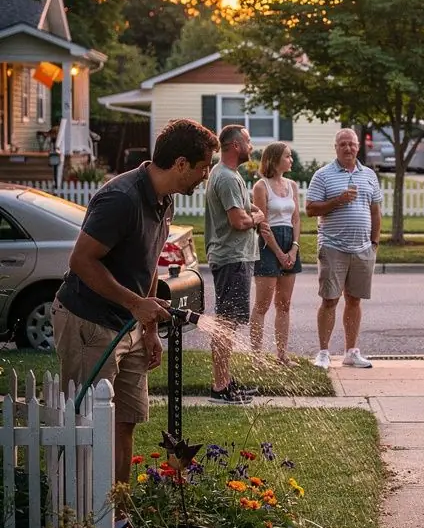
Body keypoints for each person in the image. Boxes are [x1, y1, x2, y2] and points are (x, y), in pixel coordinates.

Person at [52, 118, 219, 487]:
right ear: (180, 164)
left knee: (125, 419)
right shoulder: (121, 198)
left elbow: (146, 270)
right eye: (203, 168)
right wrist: (134, 305)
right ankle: (81, 519)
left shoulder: (164, 201)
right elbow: (81, 261)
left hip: (128, 325)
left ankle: (118, 513)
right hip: (89, 321)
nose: (205, 176)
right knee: (89, 425)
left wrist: (148, 330)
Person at [305, 128, 382, 369]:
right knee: (329, 300)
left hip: (362, 249)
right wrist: (338, 200)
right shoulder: (323, 175)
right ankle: (324, 353)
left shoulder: (369, 175)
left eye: (351, 144)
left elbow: (375, 211)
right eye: (343, 144)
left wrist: (375, 243)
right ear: (335, 148)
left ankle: (351, 352)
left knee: (354, 300)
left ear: (358, 146)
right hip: (332, 247)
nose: (348, 148)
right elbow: (310, 209)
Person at [205, 125, 268, 402]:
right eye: (248, 141)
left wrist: (252, 212)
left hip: (236, 258)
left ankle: (226, 381)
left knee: (227, 322)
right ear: (235, 146)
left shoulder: (231, 176)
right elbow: (239, 220)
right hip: (231, 259)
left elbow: (247, 209)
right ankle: (220, 387)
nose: (251, 146)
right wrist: (256, 217)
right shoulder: (227, 178)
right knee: (226, 324)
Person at [249, 141, 302, 363]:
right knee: (262, 305)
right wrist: (279, 253)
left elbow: (296, 218)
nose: (291, 160)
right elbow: (263, 225)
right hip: (268, 246)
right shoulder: (261, 187)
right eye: (287, 156)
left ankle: (282, 355)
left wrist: (294, 248)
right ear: (275, 159)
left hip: (290, 243)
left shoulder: (292, 186)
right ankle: (257, 356)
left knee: (284, 304)